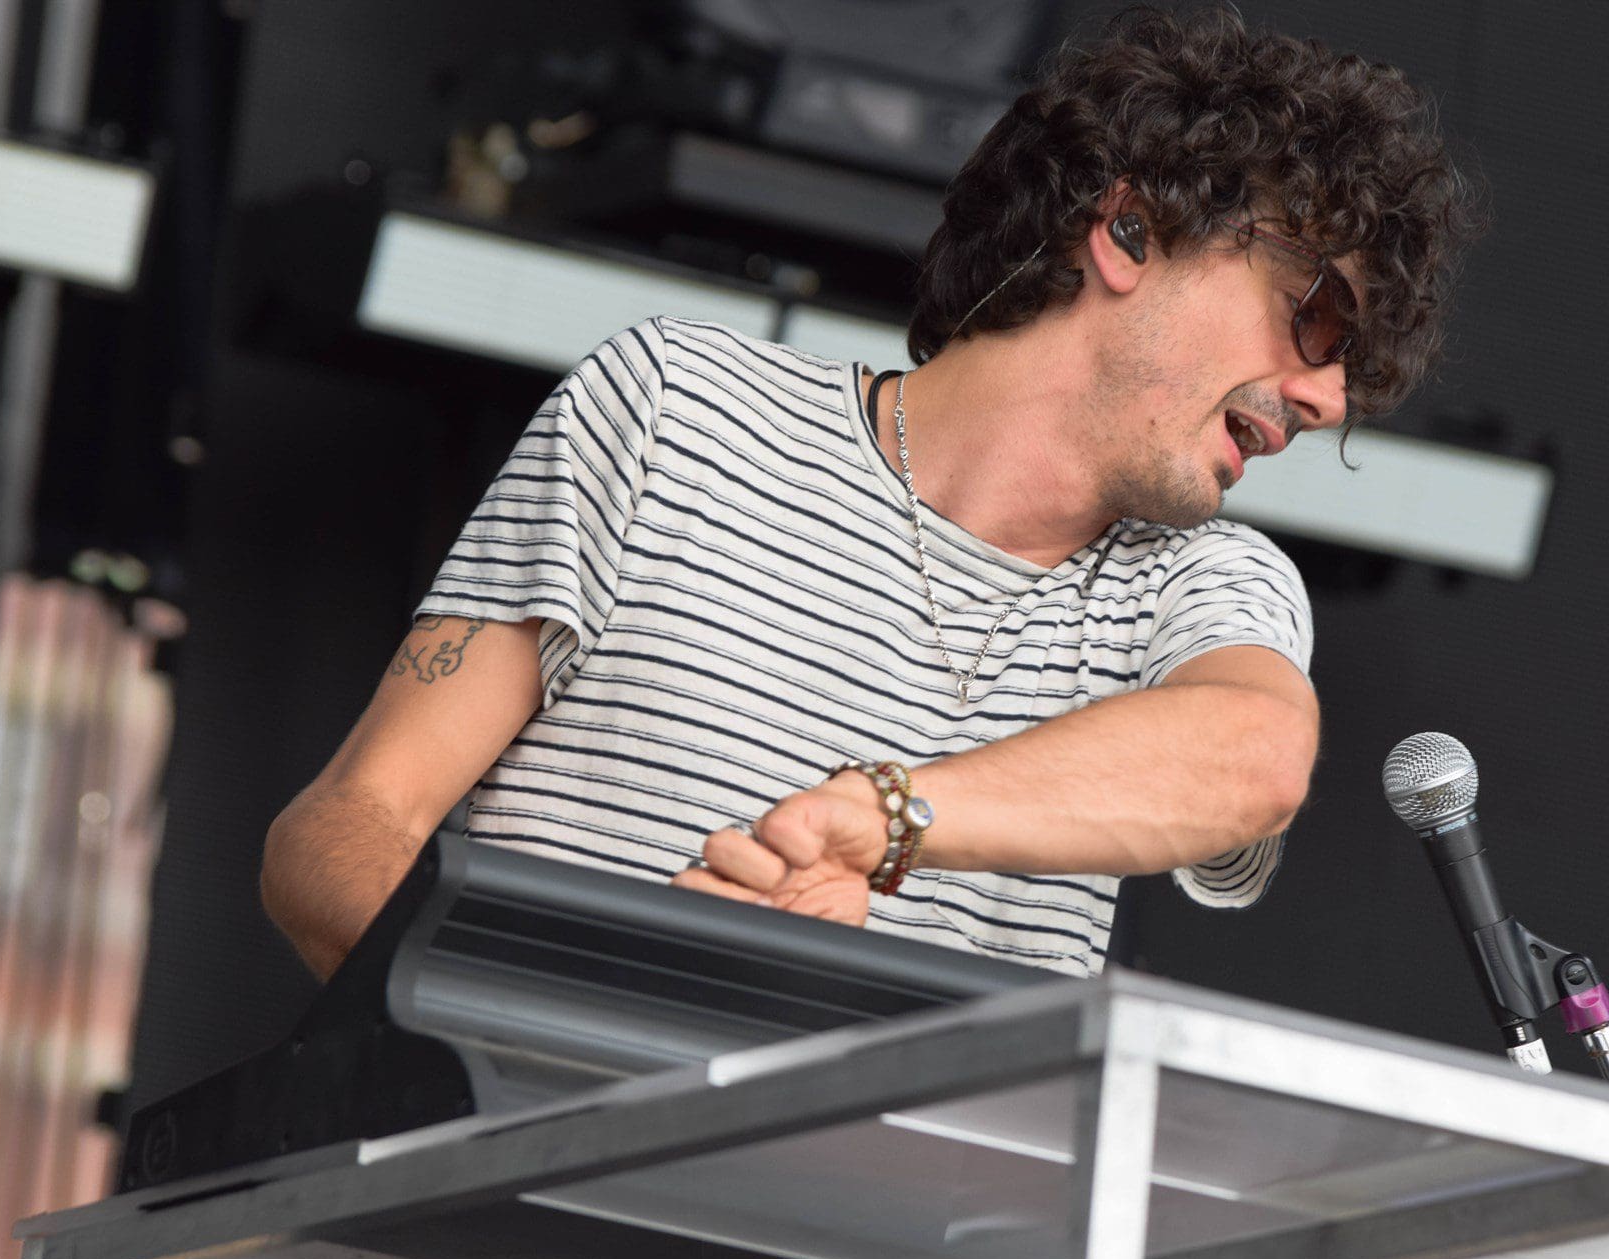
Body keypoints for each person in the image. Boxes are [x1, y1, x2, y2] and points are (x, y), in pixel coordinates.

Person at [261, 7, 1472, 981]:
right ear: (1131, 232)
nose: (1326, 397)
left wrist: (878, 819)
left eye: (1350, 370)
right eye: (1319, 317)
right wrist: (575, 1002)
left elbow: (1252, 758)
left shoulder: (1206, 581)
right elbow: (338, 831)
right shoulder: (677, 407)